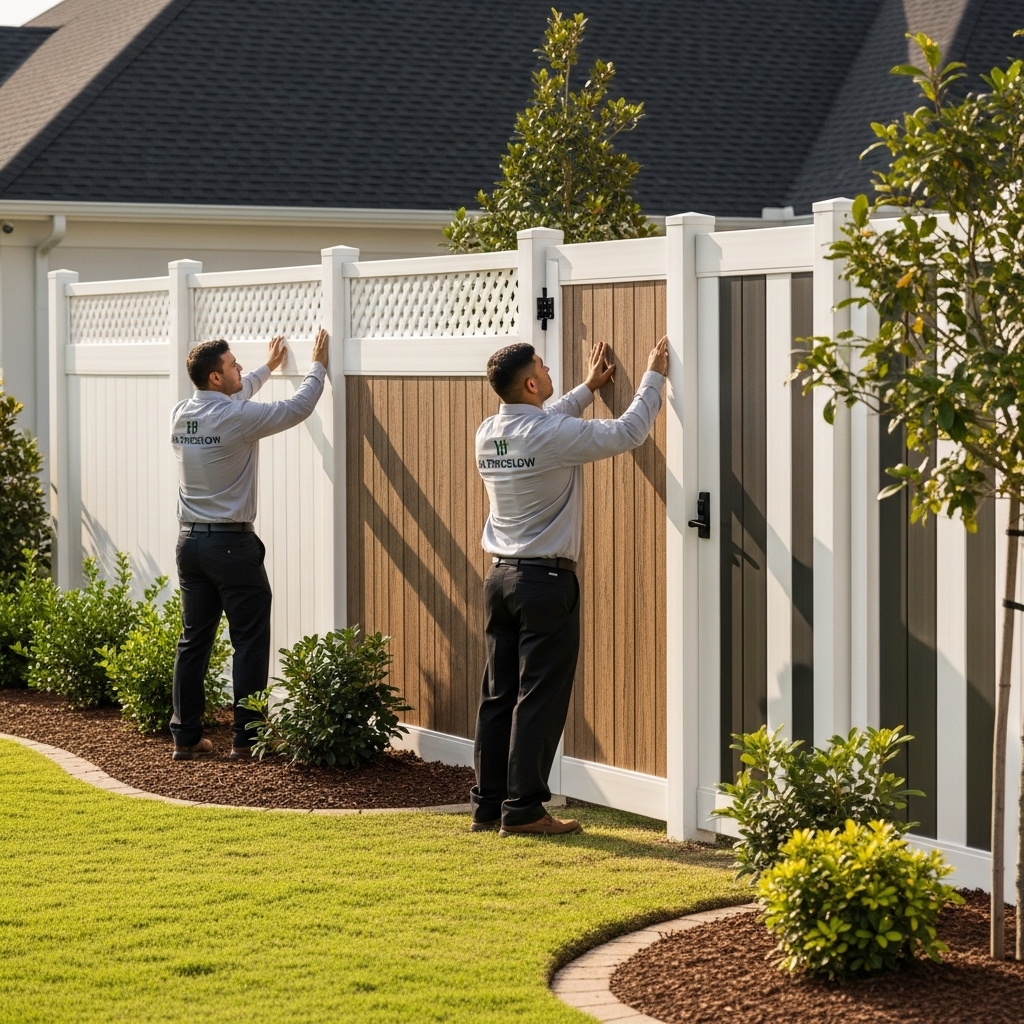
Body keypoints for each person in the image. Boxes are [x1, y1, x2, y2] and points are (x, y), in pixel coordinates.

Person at [472, 335, 669, 836]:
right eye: (541, 366)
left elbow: (546, 420)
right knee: (538, 697)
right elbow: (629, 431)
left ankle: (488, 806)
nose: (546, 369)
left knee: (498, 696)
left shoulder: (488, 433)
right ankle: (524, 811)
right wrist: (653, 375)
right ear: (531, 384)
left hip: (500, 579)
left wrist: (586, 389)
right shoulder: (550, 435)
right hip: (544, 583)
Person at [168, 328, 330, 761]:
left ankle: (185, 737)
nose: (240, 368)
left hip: (190, 544)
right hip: (231, 547)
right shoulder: (235, 418)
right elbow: (298, 407)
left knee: (193, 642)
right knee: (250, 641)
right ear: (216, 377)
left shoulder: (182, 413)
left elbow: (236, 395)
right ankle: (248, 738)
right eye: (233, 365)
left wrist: (267, 368)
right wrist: (317, 366)